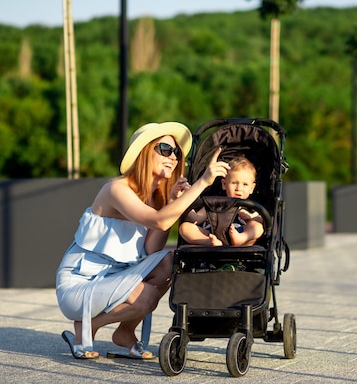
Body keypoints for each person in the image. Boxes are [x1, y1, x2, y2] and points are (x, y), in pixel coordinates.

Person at [56, 121, 230, 359]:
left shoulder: (155, 197)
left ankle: (124, 333)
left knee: (169, 261)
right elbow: (159, 221)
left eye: (177, 152)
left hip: (114, 277)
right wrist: (202, 183)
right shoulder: (116, 190)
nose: (173, 157)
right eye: (165, 149)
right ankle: (87, 327)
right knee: (145, 296)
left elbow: (151, 250)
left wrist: (170, 203)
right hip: (80, 284)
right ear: (145, 152)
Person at [179, 156, 264, 247]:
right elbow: (196, 219)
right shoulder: (215, 202)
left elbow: (262, 219)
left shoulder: (251, 207)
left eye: (245, 184)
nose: (239, 188)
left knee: (258, 227)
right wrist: (183, 202)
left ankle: (241, 239)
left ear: (252, 188)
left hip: (240, 232)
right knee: (184, 227)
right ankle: (209, 242)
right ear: (224, 184)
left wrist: (250, 218)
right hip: (211, 233)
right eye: (234, 183)